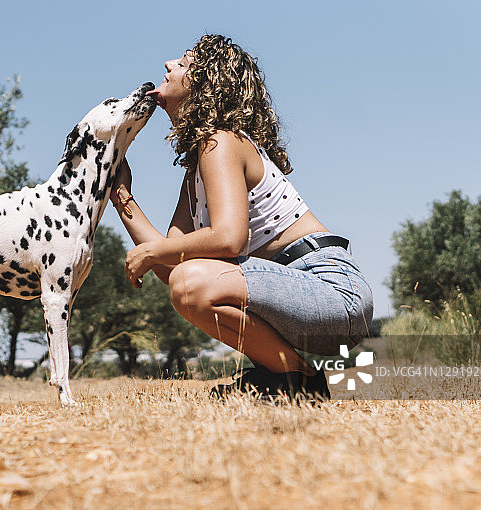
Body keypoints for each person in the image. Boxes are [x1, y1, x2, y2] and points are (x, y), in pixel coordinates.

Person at [109, 34, 373, 400]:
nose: (168, 65)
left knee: (190, 281)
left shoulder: (220, 141)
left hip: (334, 294)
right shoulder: (197, 170)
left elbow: (229, 238)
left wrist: (152, 254)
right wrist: (120, 195)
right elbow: (173, 267)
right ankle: (285, 379)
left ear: (204, 86)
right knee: (186, 282)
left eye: (183, 63)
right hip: (300, 300)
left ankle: (299, 380)